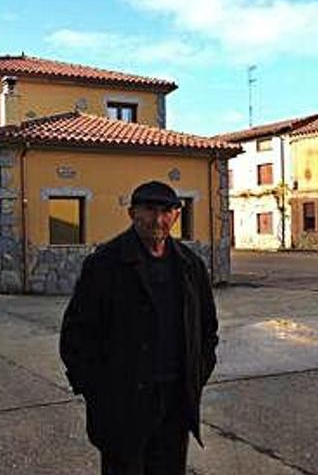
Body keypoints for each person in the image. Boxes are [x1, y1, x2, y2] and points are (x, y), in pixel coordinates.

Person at [60, 180, 219, 475]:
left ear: (175, 215)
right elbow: (76, 336)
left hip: (174, 401)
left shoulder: (190, 265)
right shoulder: (105, 264)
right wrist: (97, 392)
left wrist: (197, 375)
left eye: (166, 211)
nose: (158, 220)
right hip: (122, 404)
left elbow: (207, 329)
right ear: (132, 213)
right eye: (149, 210)